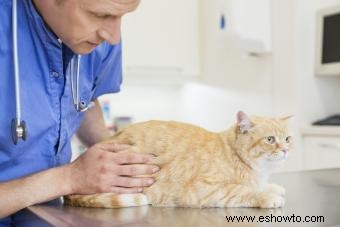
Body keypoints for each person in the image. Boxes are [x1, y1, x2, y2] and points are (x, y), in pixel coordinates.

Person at [0, 0, 159, 223]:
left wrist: (113, 155)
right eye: (100, 15)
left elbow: (84, 97)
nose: (113, 36)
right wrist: (70, 178)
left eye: (121, 16)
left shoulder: (99, 41)